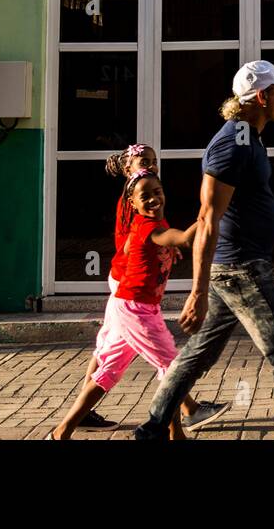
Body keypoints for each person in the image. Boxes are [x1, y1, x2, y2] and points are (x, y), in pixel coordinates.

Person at [134, 60, 274, 441]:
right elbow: (207, 219)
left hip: (237, 266)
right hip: (241, 270)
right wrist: (197, 293)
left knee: (199, 353)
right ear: (261, 96)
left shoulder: (248, 138)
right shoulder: (233, 143)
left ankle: (152, 429)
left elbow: (239, 201)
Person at [72, 144, 227, 434]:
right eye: (144, 161)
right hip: (127, 284)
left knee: (109, 350)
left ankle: (80, 414)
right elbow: (138, 241)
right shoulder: (136, 198)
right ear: (128, 168)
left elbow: (154, 238)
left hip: (124, 282)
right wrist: (167, 243)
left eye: (154, 161)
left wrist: (162, 250)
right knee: (164, 360)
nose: (152, 165)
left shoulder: (146, 192)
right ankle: (187, 412)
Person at [50, 169, 198, 440]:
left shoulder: (152, 224)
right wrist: (213, 212)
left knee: (109, 371)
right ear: (133, 203)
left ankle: (62, 431)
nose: (154, 199)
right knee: (174, 369)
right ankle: (175, 432)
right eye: (145, 196)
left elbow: (131, 248)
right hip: (136, 310)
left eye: (158, 192)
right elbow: (186, 238)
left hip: (128, 307)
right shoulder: (148, 226)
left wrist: (161, 249)